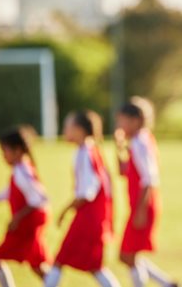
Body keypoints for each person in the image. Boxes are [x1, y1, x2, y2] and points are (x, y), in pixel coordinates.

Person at [44, 111, 120, 287]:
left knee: (61, 259)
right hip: (93, 216)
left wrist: (65, 210)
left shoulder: (86, 153)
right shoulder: (89, 150)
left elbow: (87, 192)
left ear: (79, 130)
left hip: (89, 217)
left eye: (67, 127)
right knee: (93, 266)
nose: (65, 131)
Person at [114, 97, 178, 287]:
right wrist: (119, 148)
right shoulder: (136, 141)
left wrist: (140, 210)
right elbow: (123, 171)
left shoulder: (140, 142)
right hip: (139, 205)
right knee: (129, 255)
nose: (119, 125)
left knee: (126, 255)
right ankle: (167, 284)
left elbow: (150, 178)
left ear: (135, 121)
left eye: (122, 121)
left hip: (144, 205)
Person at [0, 127, 49, 287]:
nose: (3, 156)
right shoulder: (21, 169)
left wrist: (16, 219)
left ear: (17, 151)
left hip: (28, 223)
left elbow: (38, 198)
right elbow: (9, 192)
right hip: (30, 222)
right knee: (36, 264)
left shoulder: (22, 171)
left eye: (5, 151)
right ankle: (53, 282)